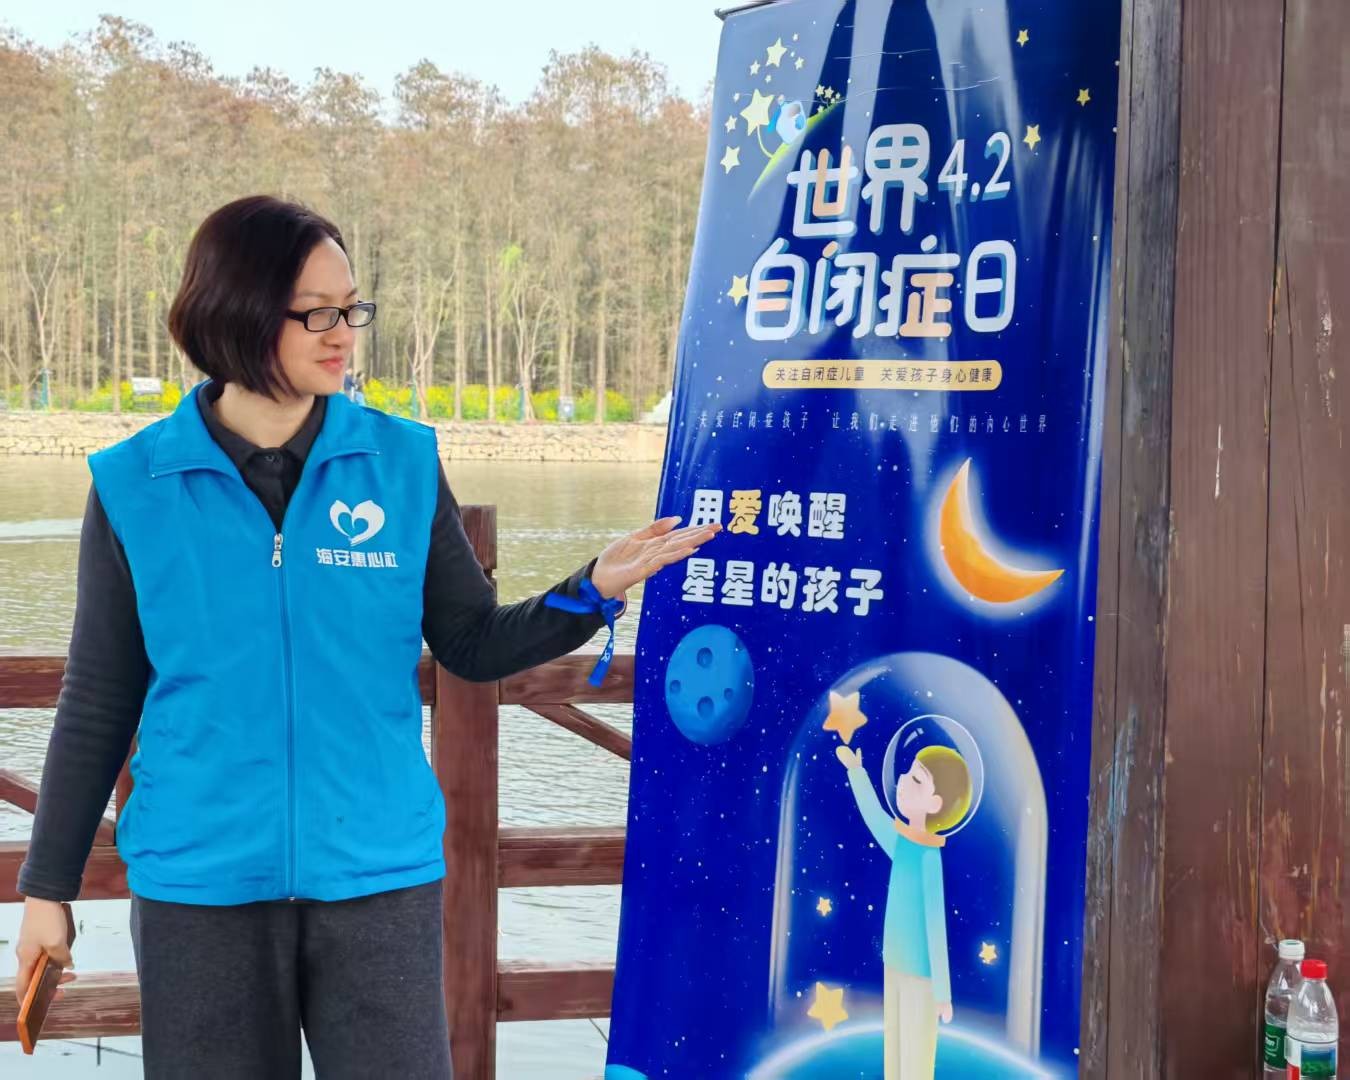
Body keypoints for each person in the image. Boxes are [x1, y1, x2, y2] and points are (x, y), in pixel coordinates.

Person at [12, 194, 719, 1079]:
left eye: (353, 308)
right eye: (317, 312)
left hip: (378, 877)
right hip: (198, 884)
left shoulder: (401, 462)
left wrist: (592, 590)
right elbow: (99, 697)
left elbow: (470, 642)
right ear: (236, 311)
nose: (344, 333)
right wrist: (47, 889)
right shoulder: (134, 483)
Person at [835, 740, 971, 1080]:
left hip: (920, 976)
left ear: (935, 804)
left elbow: (936, 923)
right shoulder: (903, 842)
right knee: (894, 1052)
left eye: (917, 779)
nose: (903, 781)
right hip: (893, 964)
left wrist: (942, 992)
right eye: (908, 772)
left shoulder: (929, 858)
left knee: (915, 1060)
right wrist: (857, 771)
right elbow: (873, 816)